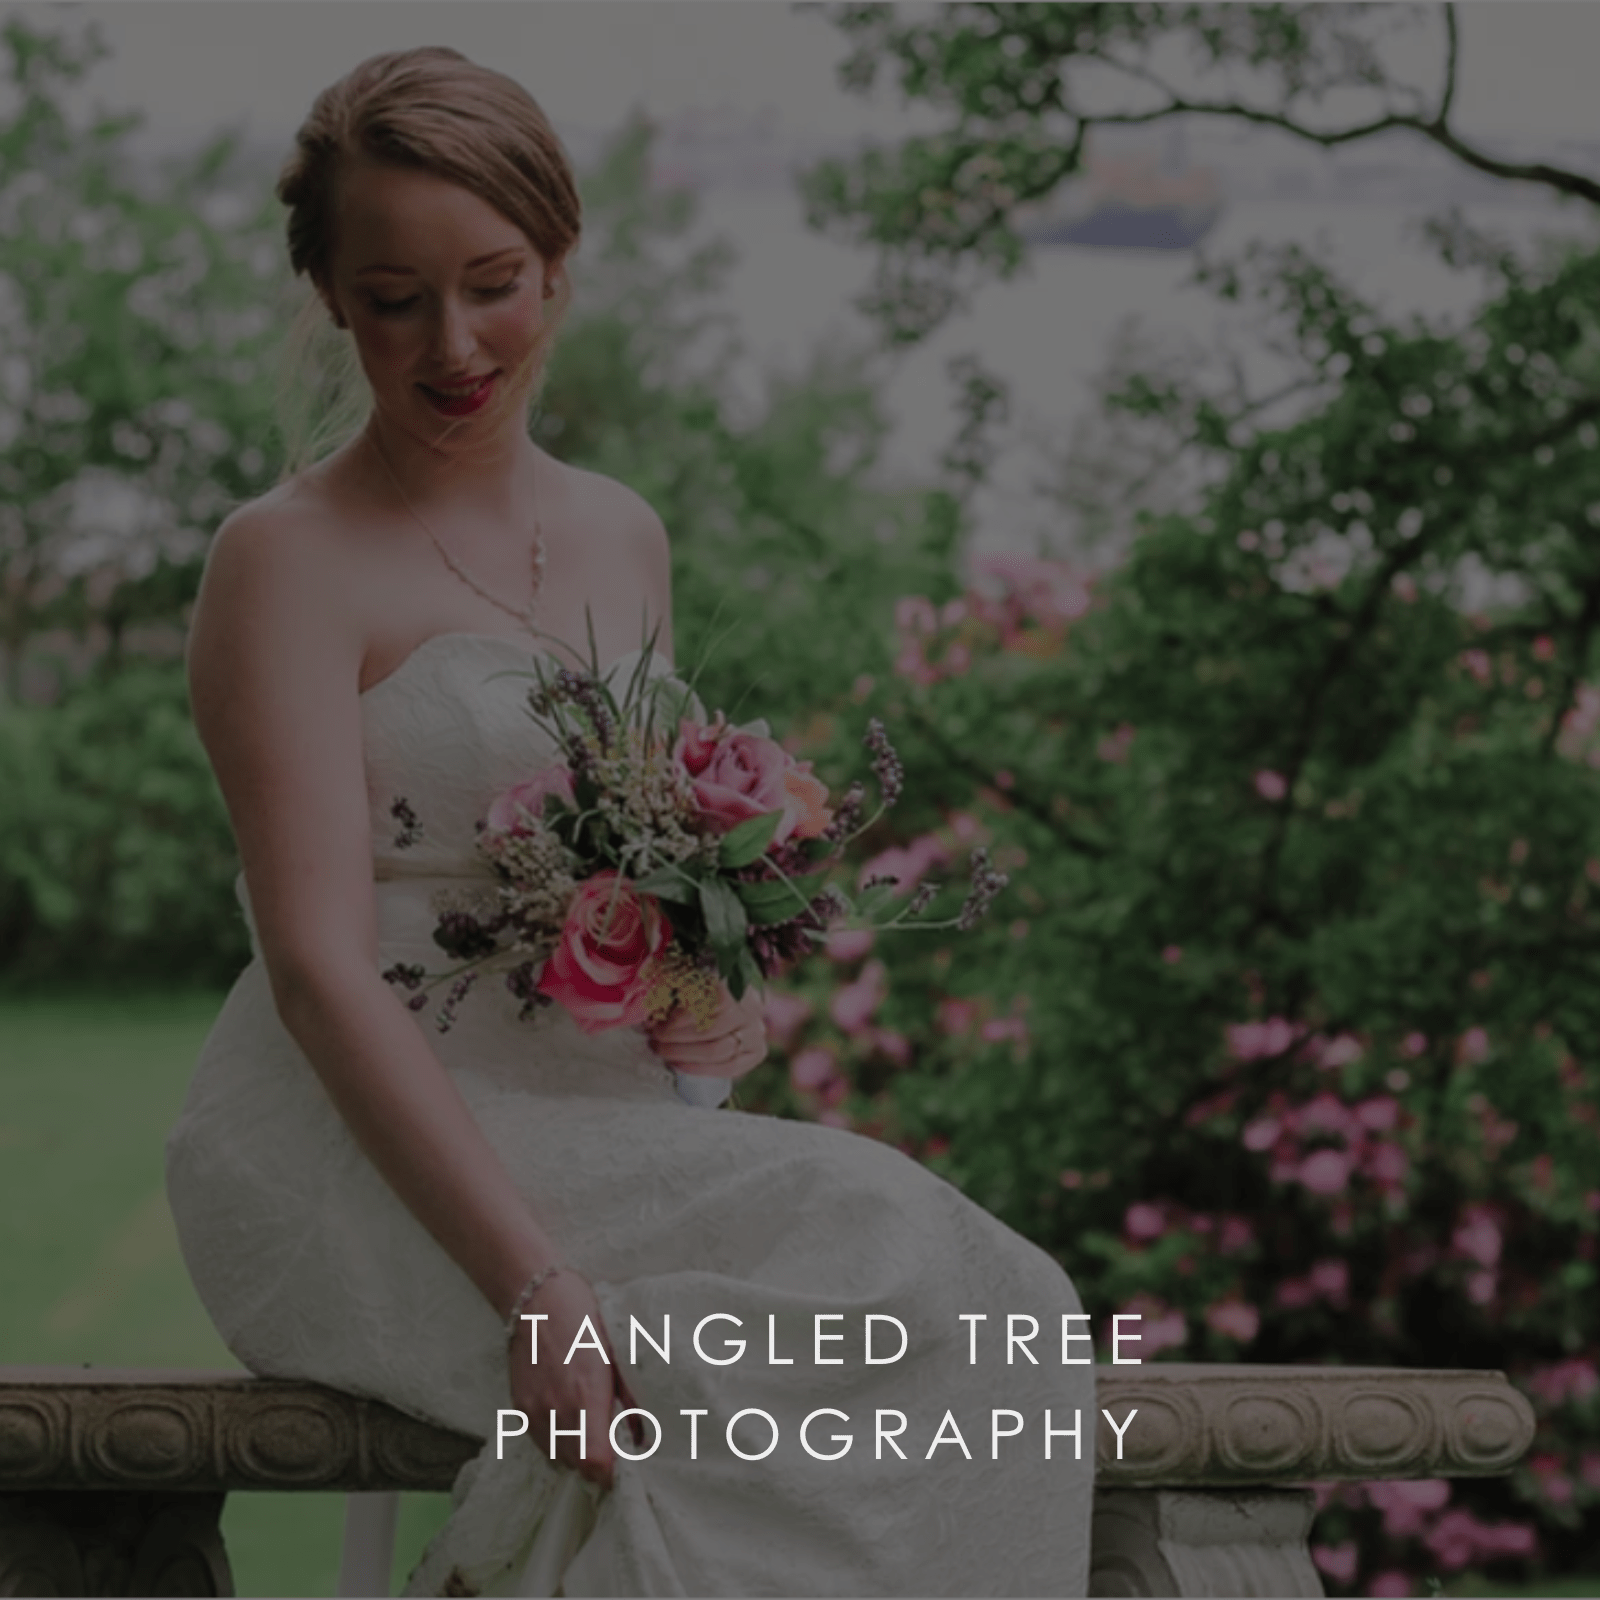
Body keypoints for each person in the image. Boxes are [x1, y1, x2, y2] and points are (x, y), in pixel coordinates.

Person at [165, 46, 1096, 1597]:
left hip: (592, 1112)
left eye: (494, 282)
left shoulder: (618, 533)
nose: (453, 343)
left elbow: (628, 864)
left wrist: (696, 994)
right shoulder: (284, 560)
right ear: (329, 293)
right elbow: (319, 967)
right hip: (349, 1145)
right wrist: (535, 1287)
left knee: (1012, 1302)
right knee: (874, 1242)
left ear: (562, 259)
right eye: (394, 296)